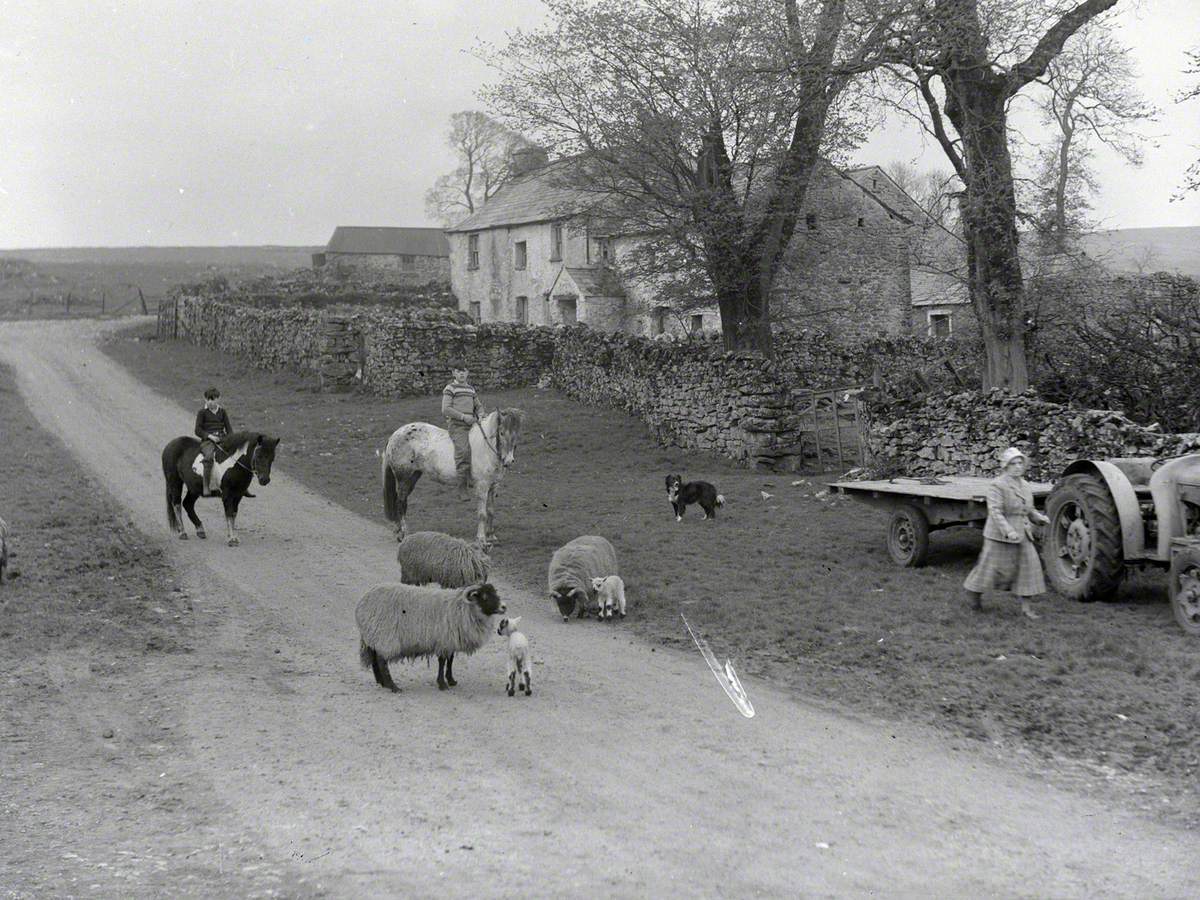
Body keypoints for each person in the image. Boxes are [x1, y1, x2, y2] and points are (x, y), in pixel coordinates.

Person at [963, 447, 1050, 619]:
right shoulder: (998, 485)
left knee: (1029, 569)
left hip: (1023, 533)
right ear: (1005, 466)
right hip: (998, 535)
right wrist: (1008, 531)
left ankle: (1027, 609)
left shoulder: (1024, 485)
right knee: (988, 569)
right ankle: (974, 596)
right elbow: (995, 512)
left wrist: (1040, 518)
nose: (1018, 467)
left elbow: (1029, 509)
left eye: (1020, 463)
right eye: (1013, 463)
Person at [193, 387, 247, 497]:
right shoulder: (202, 412)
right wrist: (209, 436)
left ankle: (241, 486)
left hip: (222, 440)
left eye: (213, 399)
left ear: (218, 399)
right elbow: (197, 430)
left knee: (238, 457)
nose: (211, 402)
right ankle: (206, 486)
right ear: (205, 399)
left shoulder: (222, 412)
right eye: (209, 400)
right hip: (208, 442)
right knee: (208, 458)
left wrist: (229, 440)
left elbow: (229, 430)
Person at [442, 362, 482, 501]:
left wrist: (481, 414)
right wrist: (464, 417)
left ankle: (474, 480)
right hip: (458, 425)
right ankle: (461, 489)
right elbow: (446, 409)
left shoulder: (471, 389)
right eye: (458, 371)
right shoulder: (450, 388)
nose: (461, 374)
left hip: (472, 425)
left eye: (464, 371)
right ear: (454, 373)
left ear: (468, 373)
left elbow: (478, 406)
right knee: (463, 451)